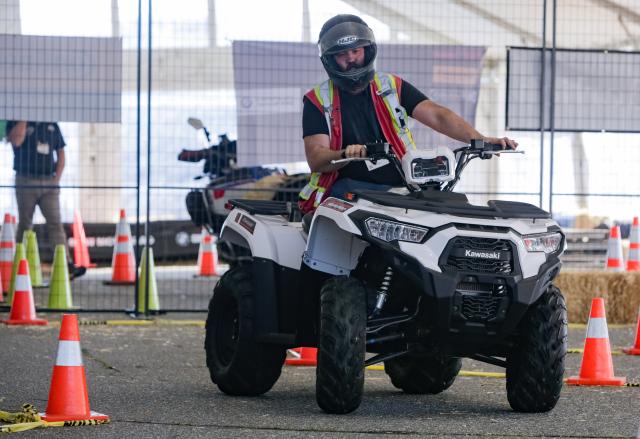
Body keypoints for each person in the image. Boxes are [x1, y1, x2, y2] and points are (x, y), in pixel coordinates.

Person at [299, 14, 518, 213]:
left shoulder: (391, 85)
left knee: (448, 212)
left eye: (356, 51)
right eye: (342, 54)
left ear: (367, 50)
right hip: (348, 191)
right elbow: (316, 157)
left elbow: (438, 115)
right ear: (330, 59)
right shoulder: (317, 100)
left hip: (403, 186)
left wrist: (481, 140)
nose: (351, 58)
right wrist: (346, 153)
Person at [5, 121, 85, 279]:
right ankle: (20, 263)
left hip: (49, 182)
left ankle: (65, 264)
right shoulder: (16, 121)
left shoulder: (52, 125)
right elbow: (17, 140)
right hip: (26, 180)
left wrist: (57, 179)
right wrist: (25, 118)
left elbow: (61, 152)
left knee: (55, 223)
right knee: (25, 223)